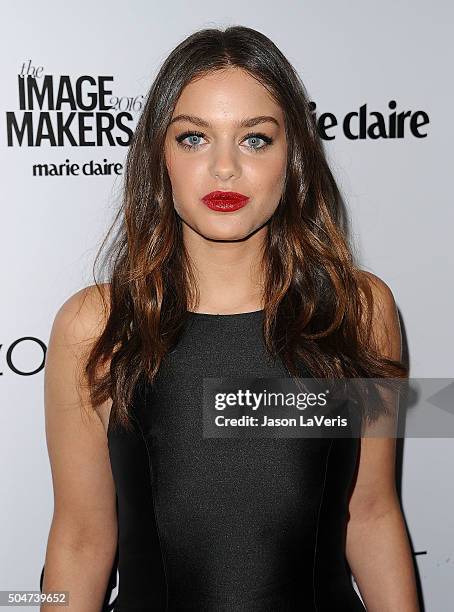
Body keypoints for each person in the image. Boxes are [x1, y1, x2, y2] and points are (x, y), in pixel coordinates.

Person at [41, 25, 420, 611]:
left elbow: (371, 511)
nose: (224, 169)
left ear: (293, 156)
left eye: (255, 140)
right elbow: (82, 536)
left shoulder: (360, 310)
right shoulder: (95, 324)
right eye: (193, 138)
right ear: (158, 157)